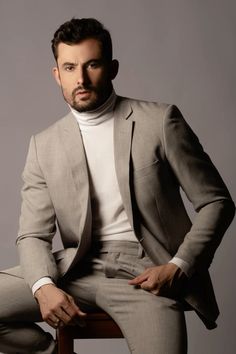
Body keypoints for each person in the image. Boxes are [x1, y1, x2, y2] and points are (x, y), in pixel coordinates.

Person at [0, 18, 235, 354]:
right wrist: (42, 286)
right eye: (69, 67)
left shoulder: (160, 122)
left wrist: (178, 265)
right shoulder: (44, 145)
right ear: (57, 75)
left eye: (92, 65)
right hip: (76, 269)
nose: (80, 79)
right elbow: (33, 235)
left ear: (112, 68)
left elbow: (217, 202)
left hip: (146, 275)